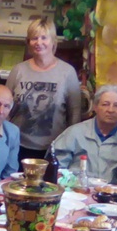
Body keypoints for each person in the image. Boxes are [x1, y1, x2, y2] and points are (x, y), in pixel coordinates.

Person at [7, 18, 81, 161]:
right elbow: (6, 108)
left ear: (53, 41)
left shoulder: (67, 72)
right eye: (34, 38)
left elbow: (75, 113)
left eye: (44, 38)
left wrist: (70, 145)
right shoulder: (18, 70)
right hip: (17, 146)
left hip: (55, 149)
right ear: (28, 42)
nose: (38, 42)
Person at [52, 84, 117, 183]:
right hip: (75, 188)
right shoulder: (75, 133)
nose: (110, 110)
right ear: (95, 107)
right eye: (105, 104)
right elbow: (56, 168)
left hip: (110, 191)